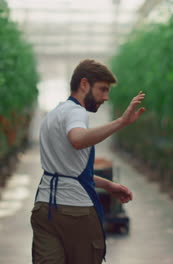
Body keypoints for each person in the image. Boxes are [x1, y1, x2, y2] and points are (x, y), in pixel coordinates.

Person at [31, 59, 146, 264]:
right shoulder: (77, 112)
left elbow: (69, 171)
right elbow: (77, 139)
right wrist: (121, 122)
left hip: (44, 207)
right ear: (84, 84)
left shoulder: (53, 115)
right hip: (75, 210)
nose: (105, 97)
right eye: (102, 89)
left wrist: (109, 185)